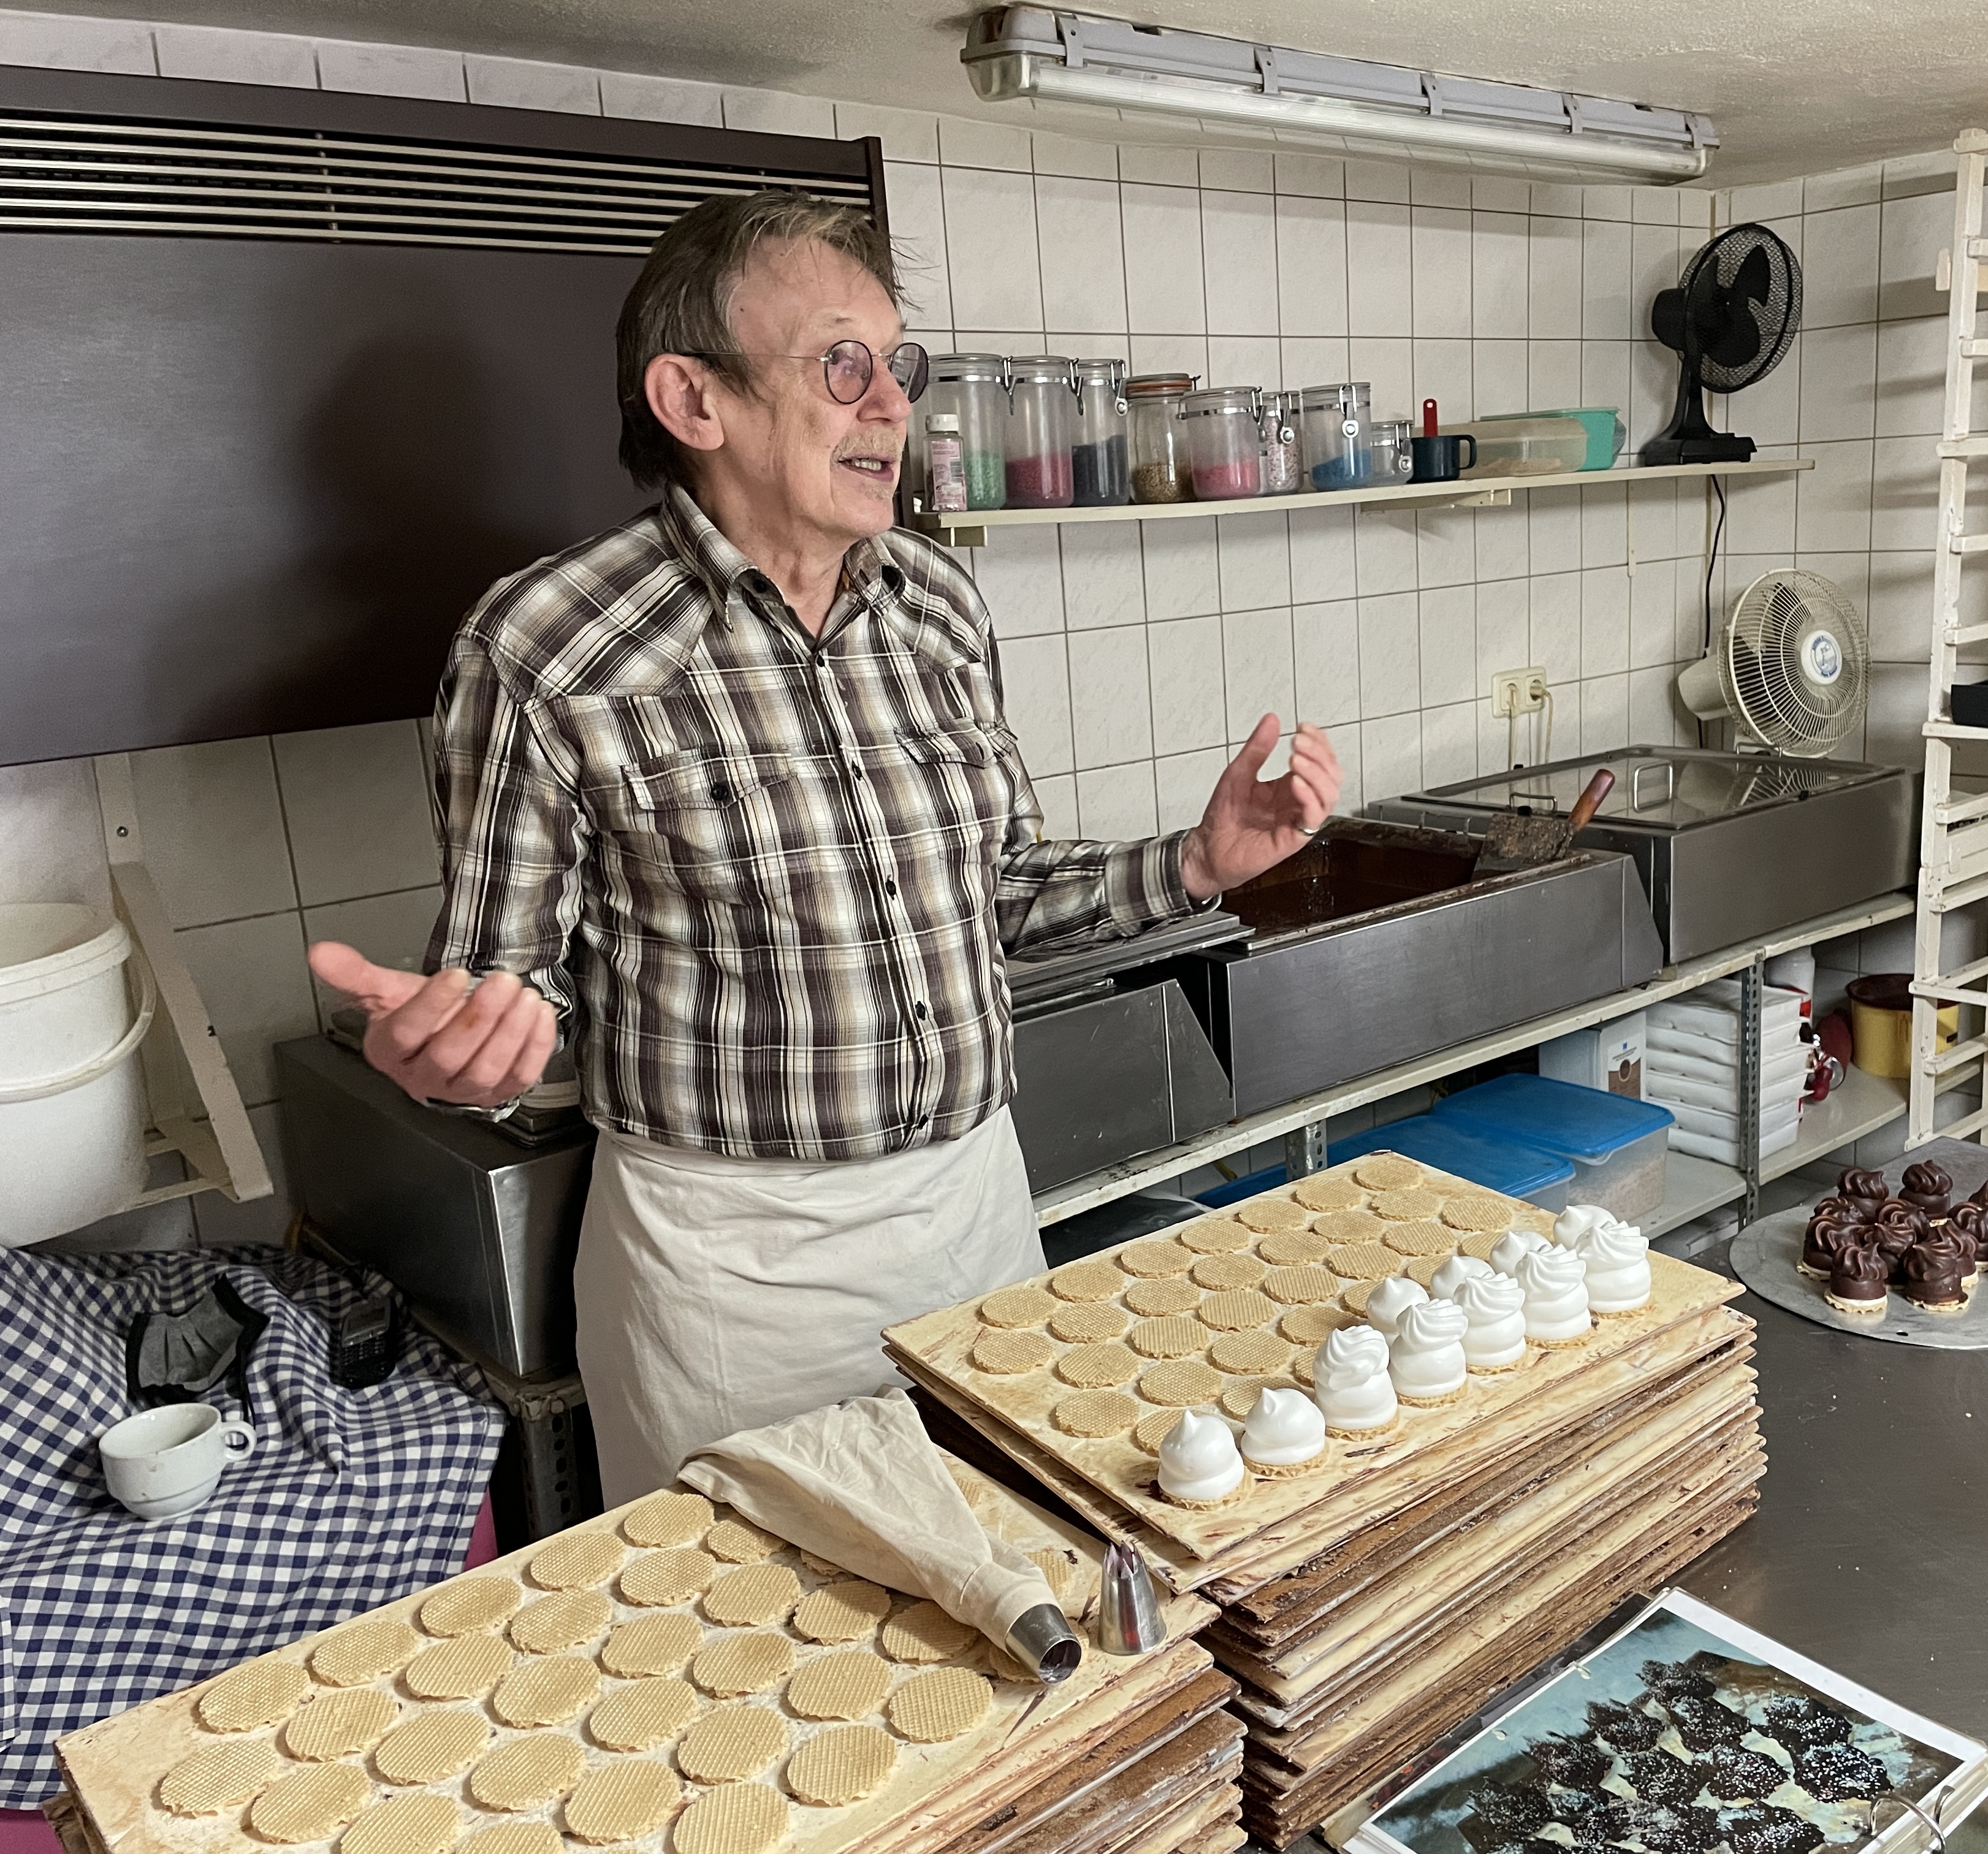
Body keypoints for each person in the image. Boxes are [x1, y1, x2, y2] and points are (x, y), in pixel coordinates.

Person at [307, 191, 1341, 1501]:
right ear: (695, 399)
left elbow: (997, 893)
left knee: (1016, 1555)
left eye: (899, 366)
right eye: (844, 364)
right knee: (762, 1619)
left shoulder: (937, 603)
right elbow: (504, 994)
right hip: (735, 1272)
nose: (896, 406)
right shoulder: (548, 644)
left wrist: (1196, 863)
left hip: (975, 1211)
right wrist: (462, 1054)